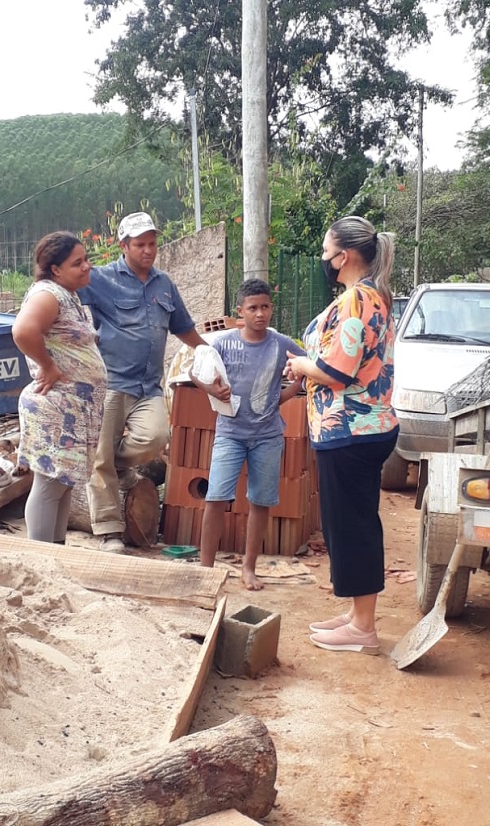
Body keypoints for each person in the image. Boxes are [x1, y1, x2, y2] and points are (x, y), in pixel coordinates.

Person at [285, 216, 399, 654]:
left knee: (351, 527)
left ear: (343, 256)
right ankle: (356, 615)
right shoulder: (373, 296)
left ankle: (363, 628)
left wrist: (301, 365)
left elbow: (337, 370)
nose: (322, 258)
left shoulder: (357, 299)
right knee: (351, 522)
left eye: (325, 251)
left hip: (351, 428)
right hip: (359, 427)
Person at [78, 212, 204, 552]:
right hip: (110, 383)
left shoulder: (164, 284)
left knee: (156, 438)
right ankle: (109, 531)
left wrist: (209, 351)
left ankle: (118, 466)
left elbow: (183, 327)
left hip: (149, 385)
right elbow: (64, 294)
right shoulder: (100, 279)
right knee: (100, 456)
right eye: (140, 244)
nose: (148, 250)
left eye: (152, 243)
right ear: (124, 246)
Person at [192, 278, 306, 590]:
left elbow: (306, 366)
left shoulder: (280, 344)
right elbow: (194, 371)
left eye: (265, 307)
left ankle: (249, 567)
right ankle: (205, 570)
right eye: (253, 308)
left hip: (267, 436)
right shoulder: (223, 343)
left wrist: (291, 391)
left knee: (260, 501)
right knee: (216, 497)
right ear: (240, 311)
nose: (260, 313)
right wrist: (211, 388)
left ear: (272, 308)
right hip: (229, 433)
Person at [12, 231, 107, 544]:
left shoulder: (66, 295)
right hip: (56, 406)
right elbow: (23, 331)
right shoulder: (48, 295)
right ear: (55, 269)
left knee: (63, 483)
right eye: (77, 263)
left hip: (72, 408)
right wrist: (47, 366)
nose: (86, 266)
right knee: (50, 485)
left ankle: (57, 552)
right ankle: (42, 558)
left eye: (86, 260)